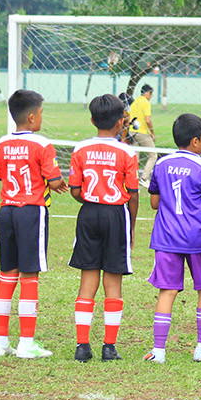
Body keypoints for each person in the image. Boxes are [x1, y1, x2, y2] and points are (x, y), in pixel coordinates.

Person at [0, 90, 68, 359]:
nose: (42, 119)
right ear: (33, 116)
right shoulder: (42, 144)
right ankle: (26, 343)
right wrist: (57, 184)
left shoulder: (2, 144)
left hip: (7, 211)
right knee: (29, 276)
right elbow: (55, 179)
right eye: (42, 114)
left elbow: (2, 175)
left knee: (6, 275)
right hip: (32, 212)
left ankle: (0, 342)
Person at [144, 113, 201, 364]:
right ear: (196, 141)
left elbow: (154, 203)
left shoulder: (161, 165)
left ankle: (158, 351)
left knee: (167, 291)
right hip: (197, 238)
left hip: (166, 238)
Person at [68, 95, 139, 363]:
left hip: (88, 212)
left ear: (91, 120)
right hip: (115, 214)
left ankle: (82, 346)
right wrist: (130, 227)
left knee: (88, 280)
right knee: (113, 281)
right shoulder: (127, 152)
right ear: (122, 122)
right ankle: (109, 347)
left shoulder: (80, 149)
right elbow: (132, 194)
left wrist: (88, 199)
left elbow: (75, 189)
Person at [128, 84, 156, 188]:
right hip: (142, 132)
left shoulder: (135, 102)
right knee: (153, 155)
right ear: (148, 93)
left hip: (132, 131)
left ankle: (133, 179)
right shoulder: (146, 103)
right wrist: (152, 133)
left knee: (135, 155)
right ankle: (144, 178)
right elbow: (148, 120)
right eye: (151, 94)